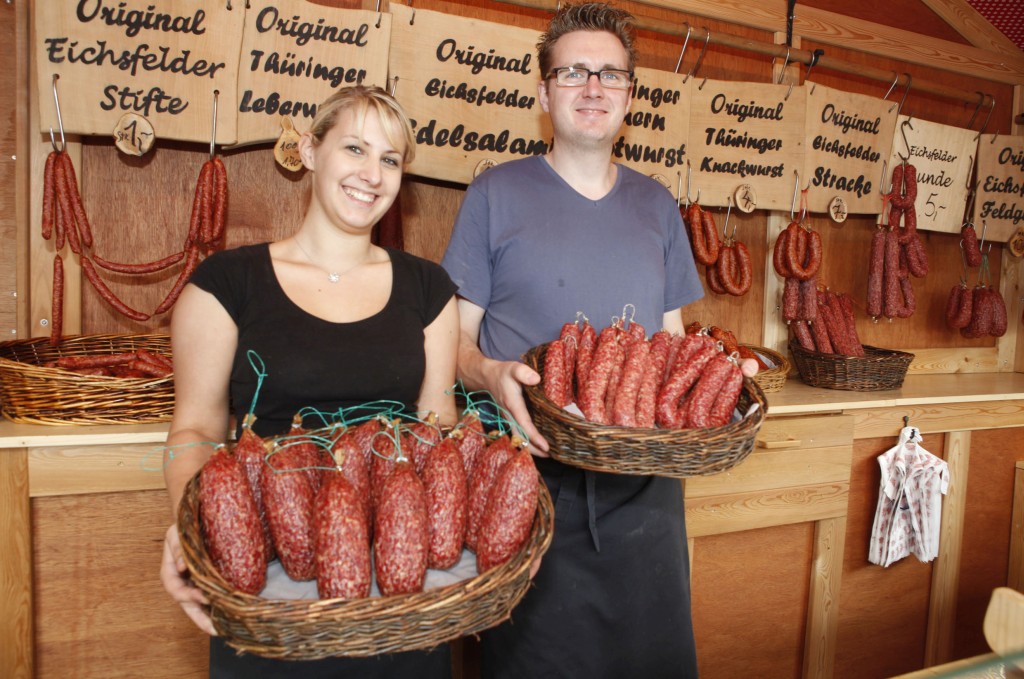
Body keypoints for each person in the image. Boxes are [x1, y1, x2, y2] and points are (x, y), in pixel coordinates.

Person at [442, 4, 757, 677]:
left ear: (630, 97)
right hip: (528, 484)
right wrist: (490, 373)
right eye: (574, 72)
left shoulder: (658, 205)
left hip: (645, 493)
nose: (593, 87)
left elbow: (672, 346)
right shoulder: (494, 194)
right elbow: (454, 342)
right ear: (543, 93)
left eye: (610, 74)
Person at [160, 85, 460, 678]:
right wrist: (194, 524)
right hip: (268, 566)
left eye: (390, 159)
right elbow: (194, 428)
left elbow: (437, 427)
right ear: (309, 151)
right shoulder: (226, 282)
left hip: (396, 576)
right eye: (354, 148)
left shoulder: (430, 289)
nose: (371, 174)